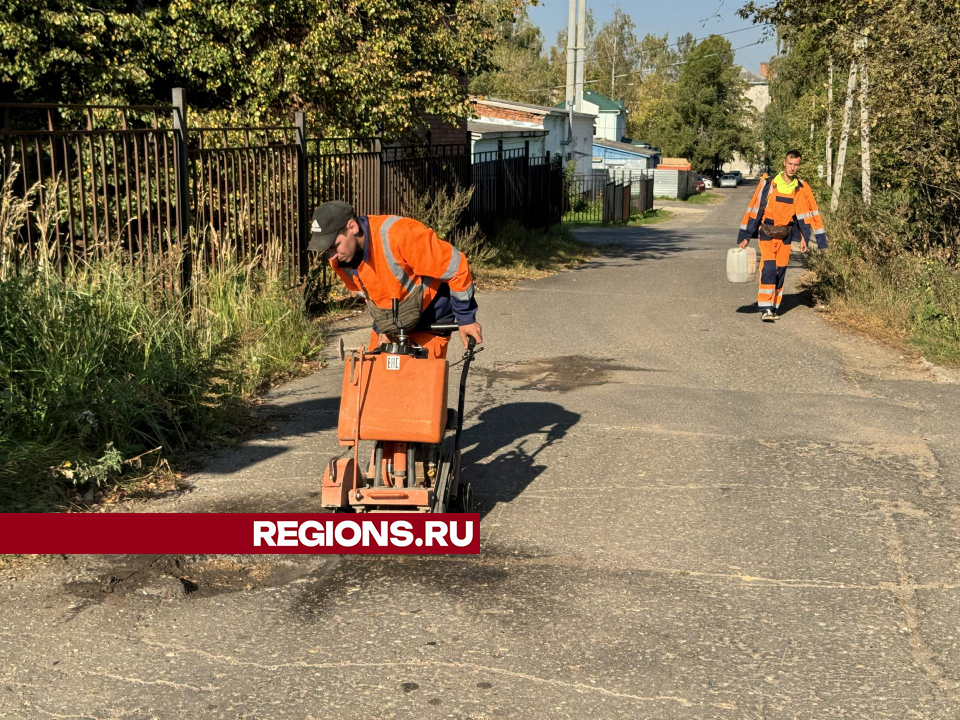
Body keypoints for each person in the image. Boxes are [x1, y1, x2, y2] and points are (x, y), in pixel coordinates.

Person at [308, 201, 483, 357]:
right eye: (327, 250)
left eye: (334, 246)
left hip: (431, 317)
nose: (332, 256)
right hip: (391, 324)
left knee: (420, 385)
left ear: (352, 227)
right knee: (375, 383)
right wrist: (385, 329)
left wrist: (466, 319)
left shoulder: (401, 235)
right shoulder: (340, 260)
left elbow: (456, 268)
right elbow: (372, 294)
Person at [737, 150, 828, 322]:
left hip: (785, 234)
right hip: (767, 233)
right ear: (784, 163)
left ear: (798, 165)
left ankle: (774, 307)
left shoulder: (801, 187)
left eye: (796, 165)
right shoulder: (769, 183)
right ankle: (765, 307)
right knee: (769, 268)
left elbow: (810, 213)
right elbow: (754, 208)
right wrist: (746, 235)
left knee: (781, 271)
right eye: (790, 164)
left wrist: (805, 237)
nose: (792, 168)